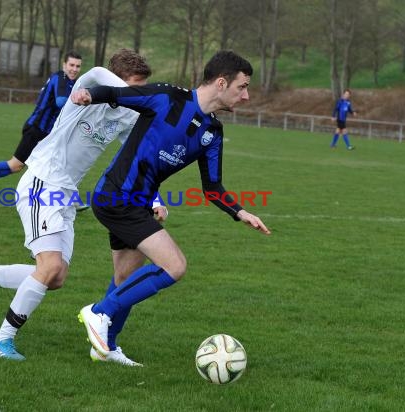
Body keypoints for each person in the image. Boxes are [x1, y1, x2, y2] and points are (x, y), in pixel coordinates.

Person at [0, 49, 166, 365]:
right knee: (48, 268)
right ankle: (1, 341)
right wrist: (129, 92)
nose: (139, 94)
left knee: (56, 277)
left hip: (65, 196)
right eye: (136, 86)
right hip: (41, 183)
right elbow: (101, 73)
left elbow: (139, 159)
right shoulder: (89, 85)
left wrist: (155, 199)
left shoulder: (128, 114)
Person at [72, 50, 271, 359]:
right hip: (117, 197)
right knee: (174, 265)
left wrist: (240, 212)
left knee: (125, 278)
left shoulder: (213, 132)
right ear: (221, 83)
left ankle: (107, 346)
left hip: (137, 205)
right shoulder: (167, 97)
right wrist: (89, 94)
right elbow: (118, 93)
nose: (246, 96)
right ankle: (99, 311)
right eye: (242, 87)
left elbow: (212, 187)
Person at [0, 51, 82, 197]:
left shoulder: (71, 83)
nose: (74, 69)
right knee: (15, 165)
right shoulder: (61, 78)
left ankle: (69, 199)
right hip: (37, 130)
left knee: (61, 163)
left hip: (49, 134)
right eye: (71, 65)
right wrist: (81, 102)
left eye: (78, 66)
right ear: (64, 65)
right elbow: (61, 101)